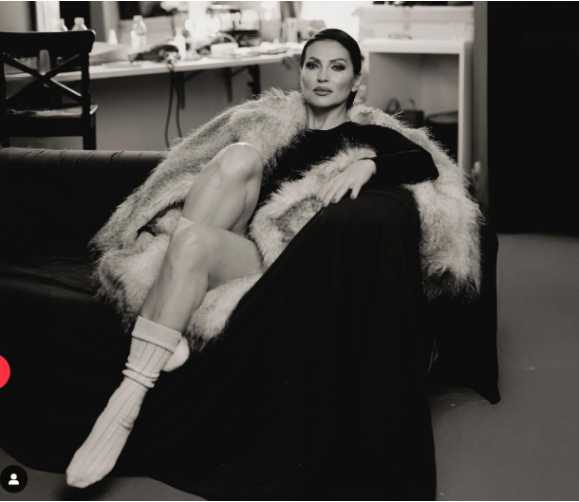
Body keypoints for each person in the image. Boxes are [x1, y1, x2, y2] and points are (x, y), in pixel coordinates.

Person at [66, 28, 439, 495]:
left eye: (337, 67)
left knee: (195, 241)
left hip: (281, 261)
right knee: (236, 162)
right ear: (300, 74)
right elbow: (192, 169)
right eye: (313, 65)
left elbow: (424, 161)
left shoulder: (367, 135)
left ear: (356, 82)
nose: (323, 77)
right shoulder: (270, 124)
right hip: (237, 238)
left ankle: (128, 395)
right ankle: (146, 366)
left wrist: (368, 164)